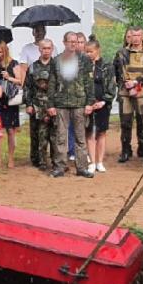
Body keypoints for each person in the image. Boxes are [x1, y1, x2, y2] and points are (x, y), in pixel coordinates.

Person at [50, 32, 95, 178]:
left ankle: (82, 167)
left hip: (79, 103)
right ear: (64, 42)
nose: (73, 44)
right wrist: (50, 104)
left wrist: (89, 103)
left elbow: (89, 82)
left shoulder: (84, 60)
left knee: (80, 137)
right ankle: (60, 167)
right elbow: (52, 84)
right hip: (61, 103)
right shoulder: (56, 61)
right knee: (61, 137)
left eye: (75, 42)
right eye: (70, 41)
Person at [113, 25, 143, 164]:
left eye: (139, 35)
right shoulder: (121, 53)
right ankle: (126, 150)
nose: (136, 38)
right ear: (129, 36)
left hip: (142, 93)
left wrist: (136, 83)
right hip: (125, 93)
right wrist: (127, 83)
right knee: (125, 123)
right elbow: (119, 71)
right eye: (133, 35)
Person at [25, 38, 56, 170]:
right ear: (39, 49)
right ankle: (39, 160)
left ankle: (56, 161)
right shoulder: (33, 67)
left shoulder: (57, 66)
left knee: (55, 135)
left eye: (49, 48)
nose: (46, 51)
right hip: (37, 105)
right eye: (44, 48)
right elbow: (27, 87)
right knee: (38, 134)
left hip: (53, 105)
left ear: (52, 49)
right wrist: (28, 104)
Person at [84, 38, 113, 172]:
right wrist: (87, 103)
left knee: (101, 132)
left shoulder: (107, 65)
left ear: (98, 50)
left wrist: (104, 101)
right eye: (87, 52)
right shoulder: (84, 65)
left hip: (103, 103)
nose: (89, 54)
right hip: (88, 104)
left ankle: (99, 162)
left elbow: (112, 86)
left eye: (91, 51)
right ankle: (91, 162)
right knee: (89, 132)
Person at [0, 40, 23, 169]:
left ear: (6, 51)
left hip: (10, 101)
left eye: (1, 52)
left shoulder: (14, 63)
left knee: (10, 130)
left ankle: (10, 158)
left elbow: (20, 81)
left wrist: (9, 77)